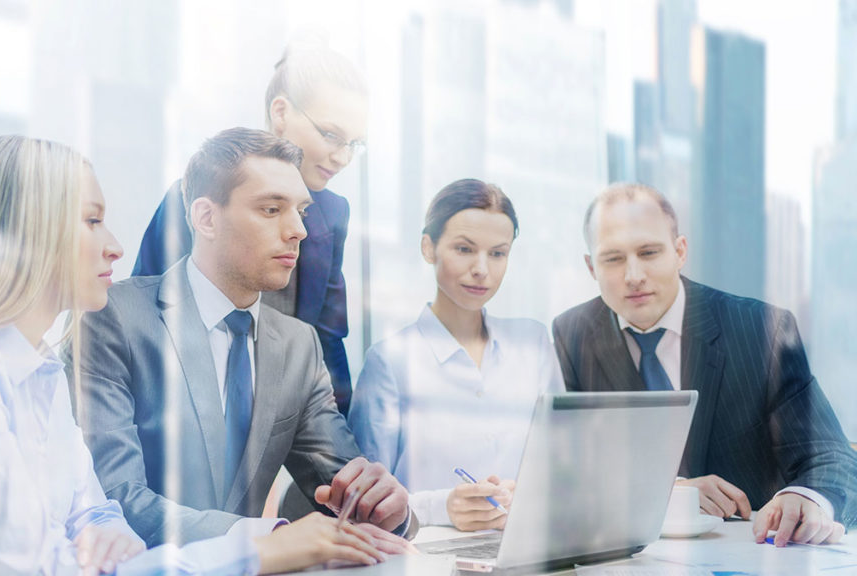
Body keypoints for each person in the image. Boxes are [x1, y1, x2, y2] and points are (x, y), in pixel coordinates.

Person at [0, 135, 407, 576]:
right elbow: (47, 562)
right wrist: (260, 547)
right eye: (91, 221)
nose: (115, 245)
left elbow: (98, 516)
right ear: (25, 232)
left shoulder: (39, 371)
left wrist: (386, 506)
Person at [71, 127, 414, 550]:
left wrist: (388, 510)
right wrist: (270, 539)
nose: (298, 231)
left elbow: (348, 489)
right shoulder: (114, 318)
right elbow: (114, 498)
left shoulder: (299, 346)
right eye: (271, 209)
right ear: (206, 218)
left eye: (301, 212)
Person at [552, 182, 857, 546]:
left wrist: (808, 497)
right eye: (613, 259)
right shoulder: (573, 334)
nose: (633, 275)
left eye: (648, 252)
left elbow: (831, 458)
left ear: (680, 251)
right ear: (591, 267)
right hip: (634, 554)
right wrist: (671, 490)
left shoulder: (761, 331)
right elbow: (575, 471)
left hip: (750, 550)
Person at [133, 45, 366, 415]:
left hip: (280, 420)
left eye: (354, 144)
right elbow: (142, 319)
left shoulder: (334, 214)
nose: (342, 157)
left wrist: (341, 442)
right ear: (281, 112)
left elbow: (328, 342)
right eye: (331, 135)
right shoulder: (194, 198)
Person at [348, 179, 564, 531]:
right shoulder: (390, 361)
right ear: (428, 248)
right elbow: (365, 506)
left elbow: (563, 465)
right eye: (464, 249)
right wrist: (442, 507)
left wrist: (530, 495)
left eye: (498, 254)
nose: (482, 269)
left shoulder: (533, 343)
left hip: (527, 541)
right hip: (427, 551)